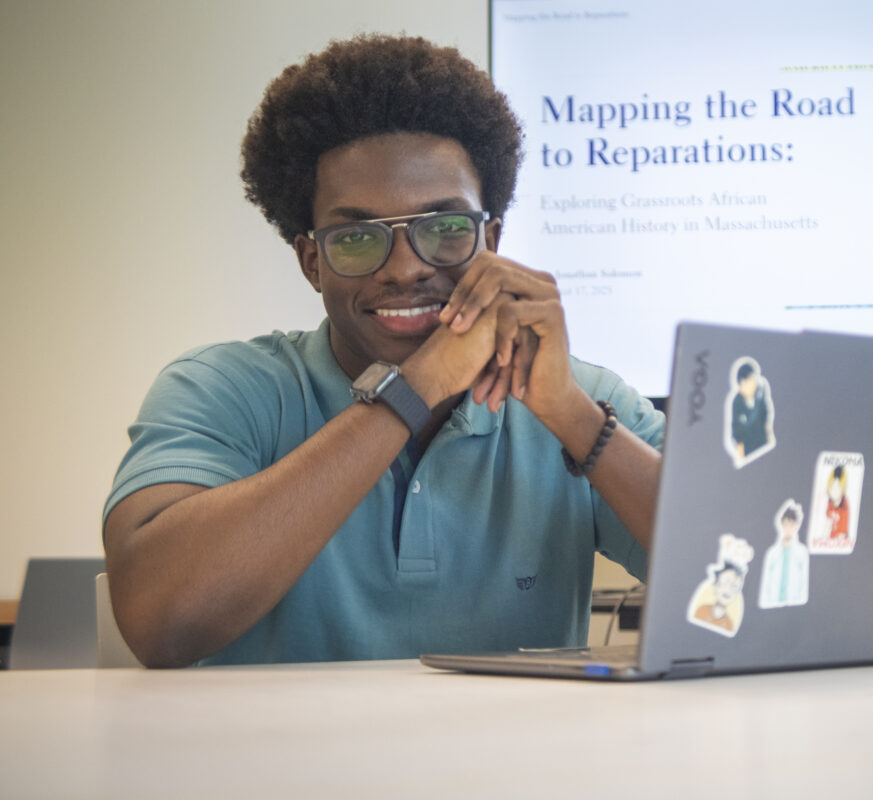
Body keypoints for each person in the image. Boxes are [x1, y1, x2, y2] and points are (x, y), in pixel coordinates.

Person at [102, 35, 663, 668]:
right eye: (357, 237)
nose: (403, 268)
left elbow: (750, 580)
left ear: (493, 240)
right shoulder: (223, 389)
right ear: (312, 261)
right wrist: (415, 387)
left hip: (516, 768)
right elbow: (157, 622)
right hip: (273, 767)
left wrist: (573, 416)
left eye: (446, 228)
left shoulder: (585, 399)